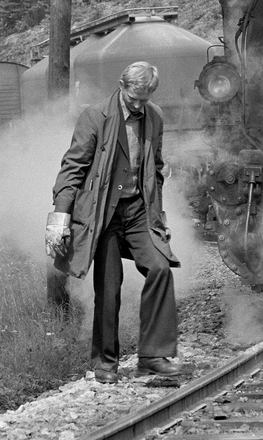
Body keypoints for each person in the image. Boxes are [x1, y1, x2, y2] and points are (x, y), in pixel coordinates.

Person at [45, 61, 180, 383]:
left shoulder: (155, 117)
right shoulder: (95, 116)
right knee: (108, 287)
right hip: (103, 213)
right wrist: (60, 218)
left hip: (138, 212)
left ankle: (153, 355)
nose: (138, 105)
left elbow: (155, 171)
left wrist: (159, 217)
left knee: (160, 269)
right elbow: (72, 168)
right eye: (134, 98)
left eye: (144, 100)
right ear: (122, 86)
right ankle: (104, 362)